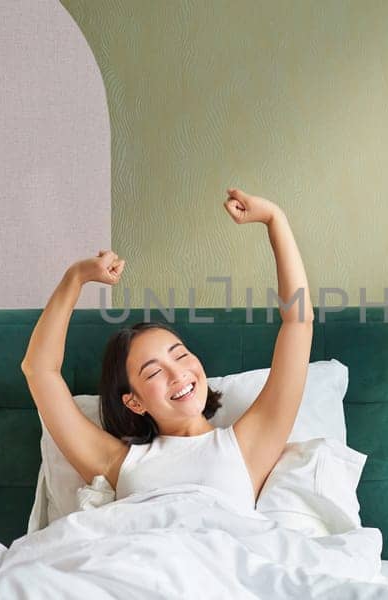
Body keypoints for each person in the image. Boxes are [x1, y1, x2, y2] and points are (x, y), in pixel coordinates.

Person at [20, 188, 313, 509]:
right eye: (155, 371)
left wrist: (275, 219)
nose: (178, 373)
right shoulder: (117, 462)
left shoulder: (247, 445)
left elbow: (298, 323)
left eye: (181, 355)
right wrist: (75, 278)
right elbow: (39, 371)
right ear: (134, 402)